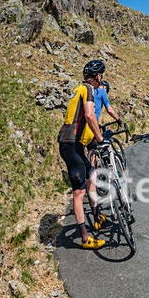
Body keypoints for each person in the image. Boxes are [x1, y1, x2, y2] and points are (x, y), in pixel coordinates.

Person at [58, 59, 107, 249]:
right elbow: (89, 115)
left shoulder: (78, 88)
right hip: (70, 145)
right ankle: (85, 238)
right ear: (97, 76)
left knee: (91, 176)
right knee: (78, 193)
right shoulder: (88, 89)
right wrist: (100, 138)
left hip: (72, 143)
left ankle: (96, 217)